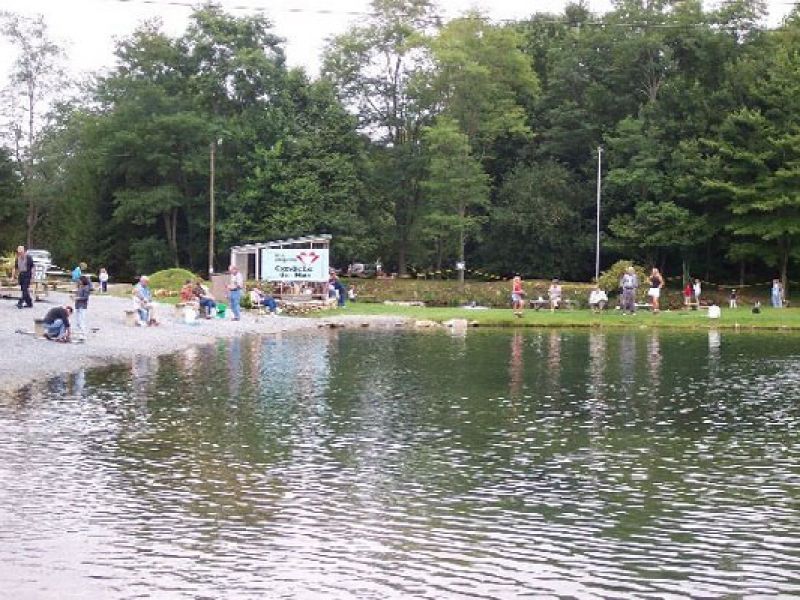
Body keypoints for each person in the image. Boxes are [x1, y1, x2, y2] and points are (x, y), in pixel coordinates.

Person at [74, 275, 92, 341]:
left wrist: (78, 298)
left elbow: (86, 297)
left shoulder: (86, 287)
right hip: (77, 305)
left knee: (82, 320)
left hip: (82, 306)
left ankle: (83, 334)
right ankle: (78, 333)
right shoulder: (80, 287)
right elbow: (78, 294)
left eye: (80, 280)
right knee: (78, 321)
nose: (79, 281)